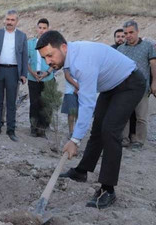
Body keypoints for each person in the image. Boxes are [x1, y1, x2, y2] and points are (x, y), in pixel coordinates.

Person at [36, 30, 145, 209]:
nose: (48, 61)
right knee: (98, 128)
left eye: (50, 55)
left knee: (110, 131)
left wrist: (75, 140)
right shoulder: (69, 55)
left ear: (63, 47)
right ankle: (81, 171)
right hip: (110, 86)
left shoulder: (81, 62)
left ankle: (108, 189)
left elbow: (86, 104)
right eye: (44, 58)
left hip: (130, 84)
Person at [0, 9, 28, 142]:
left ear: (17, 21)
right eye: (8, 19)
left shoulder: (22, 36)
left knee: (11, 102)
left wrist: (23, 74)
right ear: (4, 20)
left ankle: (11, 130)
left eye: (12, 20)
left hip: (13, 71)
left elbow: (24, 56)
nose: (9, 22)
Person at [118, 20, 156, 150]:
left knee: (141, 118)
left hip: (142, 88)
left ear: (137, 31)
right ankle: (124, 139)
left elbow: (153, 65)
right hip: (125, 88)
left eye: (131, 32)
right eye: (126, 33)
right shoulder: (121, 49)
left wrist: (154, 83)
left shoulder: (147, 46)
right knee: (124, 115)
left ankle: (139, 141)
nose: (128, 35)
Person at [27, 18, 54, 138]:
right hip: (33, 78)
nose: (42, 30)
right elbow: (25, 60)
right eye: (40, 28)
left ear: (48, 29)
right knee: (34, 104)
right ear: (37, 28)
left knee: (46, 104)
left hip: (47, 78)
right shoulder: (30, 43)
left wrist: (47, 73)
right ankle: (34, 127)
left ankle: (43, 128)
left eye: (44, 28)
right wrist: (32, 73)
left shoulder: (53, 44)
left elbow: (55, 61)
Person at [61, 69, 78, 138]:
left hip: (82, 89)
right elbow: (67, 76)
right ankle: (71, 132)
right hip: (70, 90)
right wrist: (78, 87)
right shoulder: (69, 60)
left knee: (79, 112)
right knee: (71, 112)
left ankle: (77, 132)